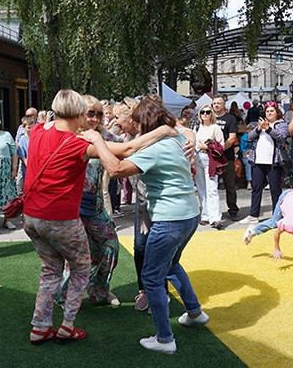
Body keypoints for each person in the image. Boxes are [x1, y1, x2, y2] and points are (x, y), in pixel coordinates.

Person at [24, 90, 179, 345]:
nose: (93, 118)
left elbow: (51, 121)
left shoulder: (39, 130)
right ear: (78, 114)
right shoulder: (79, 145)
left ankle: (40, 327)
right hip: (60, 218)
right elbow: (128, 149)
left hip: (31, 217)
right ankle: (67, 325)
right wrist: (165, 131)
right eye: (88, 113)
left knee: (50, 269)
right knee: (82, 268)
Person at [83, 97, 209, 355]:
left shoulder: (156, 147)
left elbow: (117, 169)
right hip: (190, 215)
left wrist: (96, 140)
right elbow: (174, 131)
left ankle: (165, 338)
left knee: (152, 278)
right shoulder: (175, 140)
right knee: (172, 265)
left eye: (137, 122)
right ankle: (194, 312)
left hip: (170, 220)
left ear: (144, 123)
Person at [56, 95, 120, 306]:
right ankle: (63, 296)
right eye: (90, 113)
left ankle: (99, 290)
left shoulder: (106, 136)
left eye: (99, 114)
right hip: (70, 205)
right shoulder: (68, 136)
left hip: (95, 203)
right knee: (75, 255)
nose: (94, 118)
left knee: (110, 246)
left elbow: (127, 149)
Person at [242, 102, 289, 224]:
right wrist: (259, 128)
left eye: (271, 111)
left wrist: (267, 128)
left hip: (274, 161)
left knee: (275, 189)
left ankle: (277, 214)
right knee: (256, 188)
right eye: (267, 111)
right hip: (258, 160)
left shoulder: (281, 124)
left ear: (277, 112)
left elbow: (281, 136)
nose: (269, 113)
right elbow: (249, 137)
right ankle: (253, 214)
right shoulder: (260, 123)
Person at [194, 105, 225, 229]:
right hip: (198, 158)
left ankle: (216, 217)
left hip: (210, 159)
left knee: (212, 188)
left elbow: (221, 145)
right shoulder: (197, 127)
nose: (205, 114)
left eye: (207, 112)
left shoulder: (215, 128)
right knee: (201, 188)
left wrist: (208, 147)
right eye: (203, 112)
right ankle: (205, 215)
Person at [212, 94, 239, 221]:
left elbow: (232, 137)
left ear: (224, 105)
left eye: (219, 103)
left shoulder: (231, 118)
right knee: (211, 186)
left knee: (230, 185)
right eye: (214, 103)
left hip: (226, 157)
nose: (216, 105)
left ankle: (233, 209)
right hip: (211, 158)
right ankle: (212, 211)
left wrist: (220, 149)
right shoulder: (208, 117)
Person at [16, 115, 35, 194]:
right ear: (24, 127)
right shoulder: (23, 140)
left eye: (32, 127)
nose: (31, 130)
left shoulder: (36, 137)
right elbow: (23, 157)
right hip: (27, 169)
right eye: (28, 128)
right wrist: (30, 166)